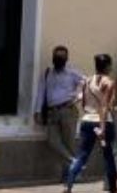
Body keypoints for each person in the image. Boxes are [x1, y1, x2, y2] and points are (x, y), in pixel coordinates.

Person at [63, 53, 117, 193]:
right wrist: (102, 127)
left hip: (87, 120)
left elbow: (80, 100)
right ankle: (114, 190)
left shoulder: (87, 81)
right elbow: (104, 106)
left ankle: (68, 185)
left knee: (81, 156)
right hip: (104, 122)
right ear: (108, 66)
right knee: (108, 156)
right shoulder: (109, 83)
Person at [32, 45, 84, 176]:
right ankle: (74, 162)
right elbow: (41, 92)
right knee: (52, 141)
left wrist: (78, 97)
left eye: (61, 57)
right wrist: (37, 111)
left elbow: (87, 83)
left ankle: (69, 175)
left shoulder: (72, 73)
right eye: (56, 57)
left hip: (68, 110)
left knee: (69, 143)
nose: (58, 59)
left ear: (66, 58)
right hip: (52, 112)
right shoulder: (47, 73)